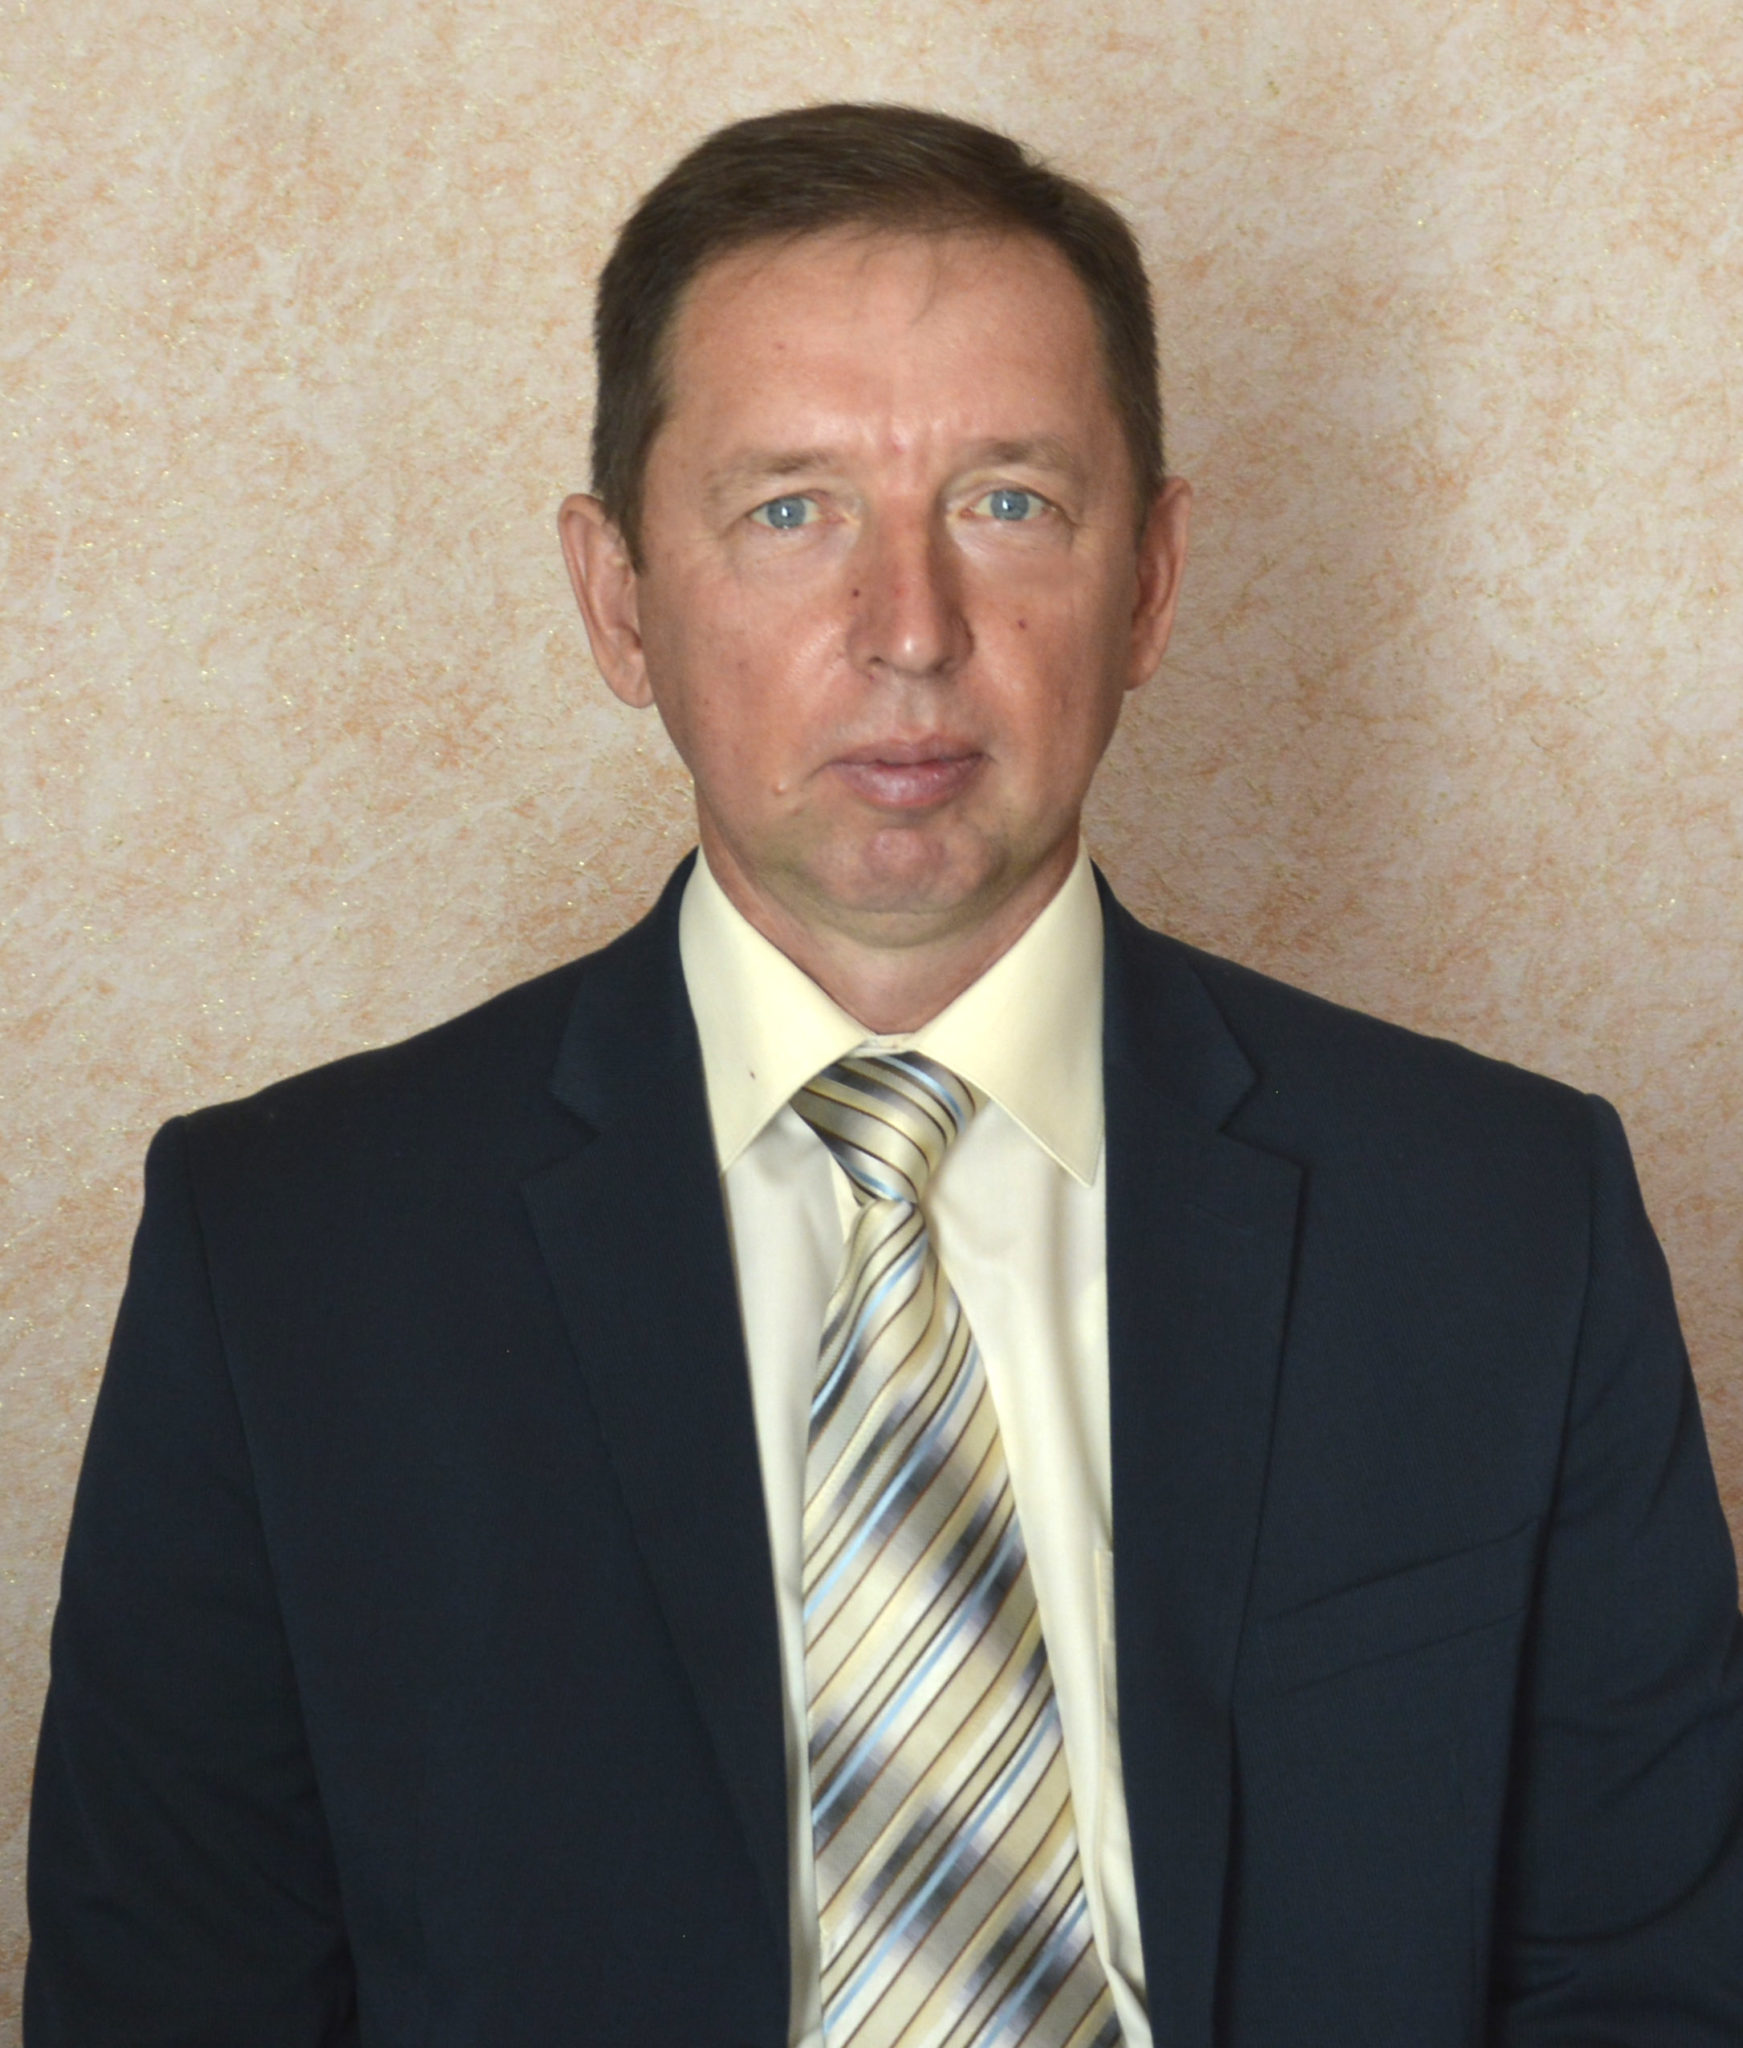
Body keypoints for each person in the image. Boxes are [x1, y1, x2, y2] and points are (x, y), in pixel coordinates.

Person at [25, 103, 1743, 2047]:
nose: (909, 630)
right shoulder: (288, 1257)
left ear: (1152, 579)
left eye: (1007, 501)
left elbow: (1650, 1984)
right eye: (792, 510)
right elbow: (166, 2005)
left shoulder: (1507, 1221)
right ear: (617, 597)